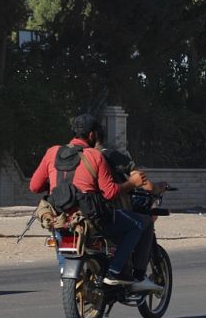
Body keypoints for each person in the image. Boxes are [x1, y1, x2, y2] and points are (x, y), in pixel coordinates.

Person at [29, 114, 152, 289]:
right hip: (90, 220)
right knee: (140, 223)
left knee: (60, 230)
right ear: (93, 135)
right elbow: (110, 193)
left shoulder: (52, 152)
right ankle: (116, 271)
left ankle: (65, 272)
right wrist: (132, 183)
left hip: (59, 219)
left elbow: (34, 186)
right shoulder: (95, 156)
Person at [102, 146, 163, 290]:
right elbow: (146, 185)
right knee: (143, 223)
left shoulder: (67, 156)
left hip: (70, 215)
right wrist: (160, 187)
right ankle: (137, 276)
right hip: (106, 212)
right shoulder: (110, 155)